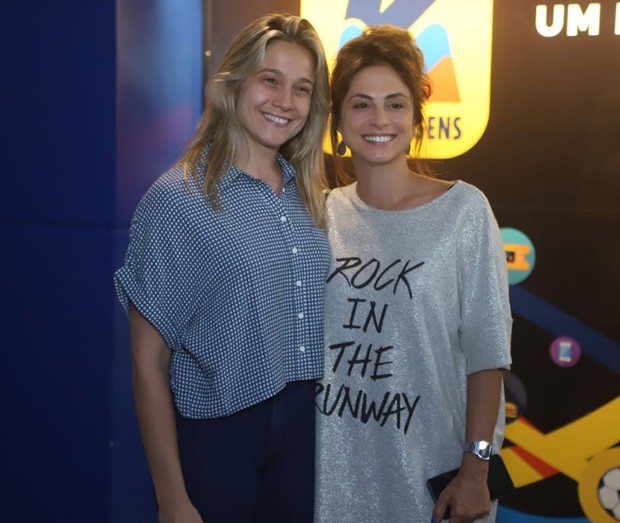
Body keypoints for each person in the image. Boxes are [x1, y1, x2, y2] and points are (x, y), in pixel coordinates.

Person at [114, 13, 330, 523]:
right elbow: (148, 365)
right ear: (233, 84)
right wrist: (172, 500)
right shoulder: (177, 200)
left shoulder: (311, 196)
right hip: (217, 439)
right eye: (270, 80)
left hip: (304, 436)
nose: (285, 101)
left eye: (301, 89)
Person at [314, 25, 512, 523]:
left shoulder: (463, 211)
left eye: (395, 103)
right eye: (361, 104)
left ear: (416, 116)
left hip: (436, 487)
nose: (379, 118)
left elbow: (488, 354)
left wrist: (476, 470)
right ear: (337, 120)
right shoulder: (318, 215)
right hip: (329, 483)